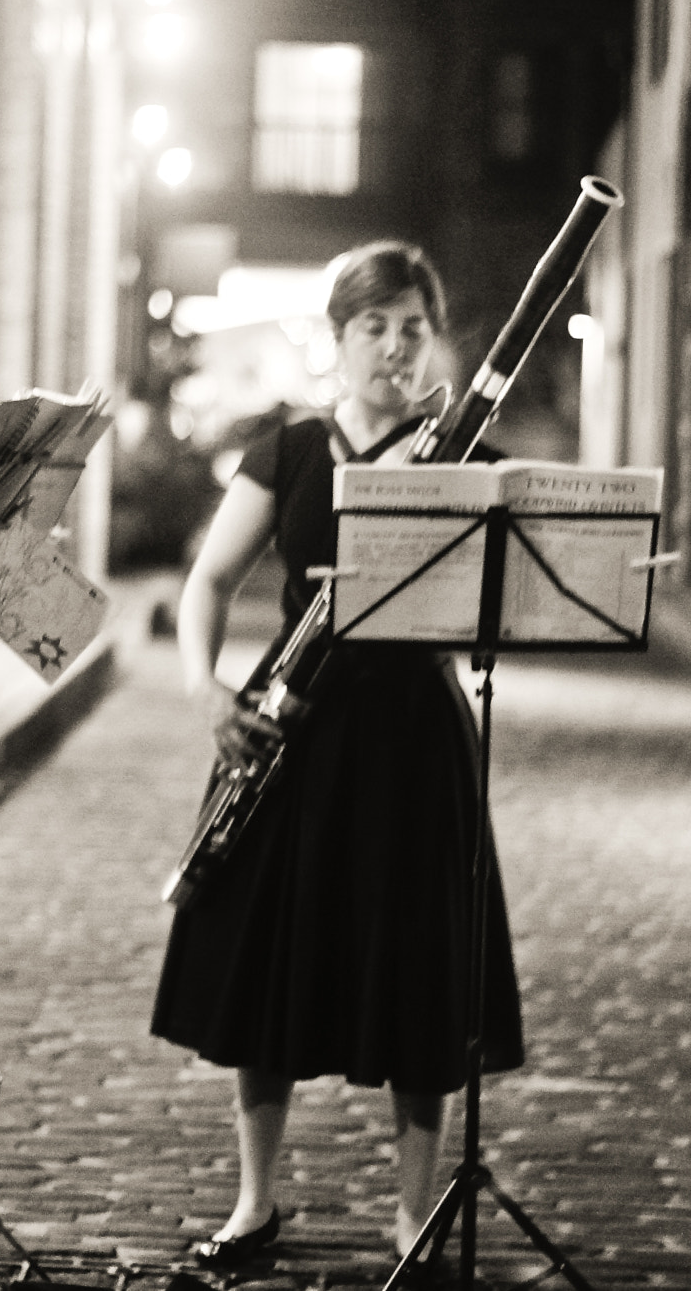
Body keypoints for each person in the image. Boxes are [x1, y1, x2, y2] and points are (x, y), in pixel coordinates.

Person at [151, 242, 525, 1266]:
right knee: (270, 966)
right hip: (293, 723)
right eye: (374, 327)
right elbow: (209, 583)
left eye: (413, 327)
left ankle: (412, 1218)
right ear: (338, 338)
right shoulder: (293, 450)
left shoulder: (465, 462)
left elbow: (501, 607)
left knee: (417, 972)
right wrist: (202, 684)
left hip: (412, 734)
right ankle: (254, 1203)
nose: (395, 348)